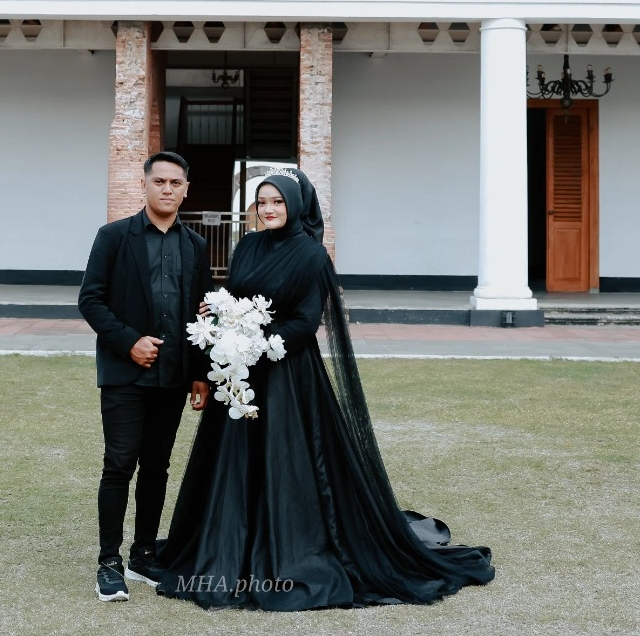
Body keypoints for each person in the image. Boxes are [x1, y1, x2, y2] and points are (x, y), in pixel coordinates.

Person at [155, 167, 494, 610]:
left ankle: (294, 544)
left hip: (288, 374)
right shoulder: (248, 246)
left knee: (288, 457)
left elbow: (305, 321)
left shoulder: (312, 255)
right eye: (262, 202)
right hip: (241, 374)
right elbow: (235, 297)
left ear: (295, 205)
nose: (268, 209)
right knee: (234, 458)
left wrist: (257, 342)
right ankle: (229, 538)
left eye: (277, 202)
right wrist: (220, 317)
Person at [77, 150, 213, 603]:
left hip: (173, 376)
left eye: (176, 183)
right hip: (124, 373)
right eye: (160, 181)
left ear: (186, 190)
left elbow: (202, 313)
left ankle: (144, 554)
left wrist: (200, 373)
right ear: (145, 185)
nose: (167, 189)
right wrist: (129, 341)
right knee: (119, 465)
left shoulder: (195, 245)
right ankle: (109, 562)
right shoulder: (114, 237)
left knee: (157, 466)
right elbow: (90, 300)